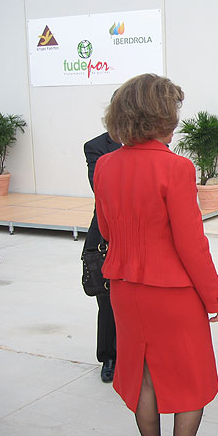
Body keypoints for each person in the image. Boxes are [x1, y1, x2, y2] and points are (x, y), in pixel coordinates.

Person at [94, 73, 218, 436]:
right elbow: (191, 244)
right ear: (162, 116)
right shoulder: (177, 168)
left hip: (124, 290)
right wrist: (214, 295)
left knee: (144, 376)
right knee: (191, 380)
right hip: (172, 293)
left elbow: (106, 230)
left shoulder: (105, 165)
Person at [84, 131, 122, 383]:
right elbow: (102, 189)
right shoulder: (97, 146)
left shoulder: (154, 140)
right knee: (107, 300)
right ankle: (109, 357)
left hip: (143, 232)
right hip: (105, 233)